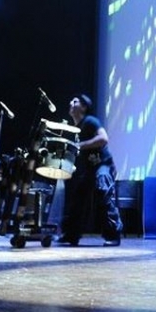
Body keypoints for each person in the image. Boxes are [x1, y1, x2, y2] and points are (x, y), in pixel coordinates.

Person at [58, 94, 123, 246]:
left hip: (103, 165)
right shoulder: (76, 129)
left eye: (75, 101)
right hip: (90, 169)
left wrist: (79, 145)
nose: (71, 102)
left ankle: (113, 235)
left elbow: (103, 139)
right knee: (78, 198)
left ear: (84, 107)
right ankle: (71, 235)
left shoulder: (90, 121)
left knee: (103, 190)